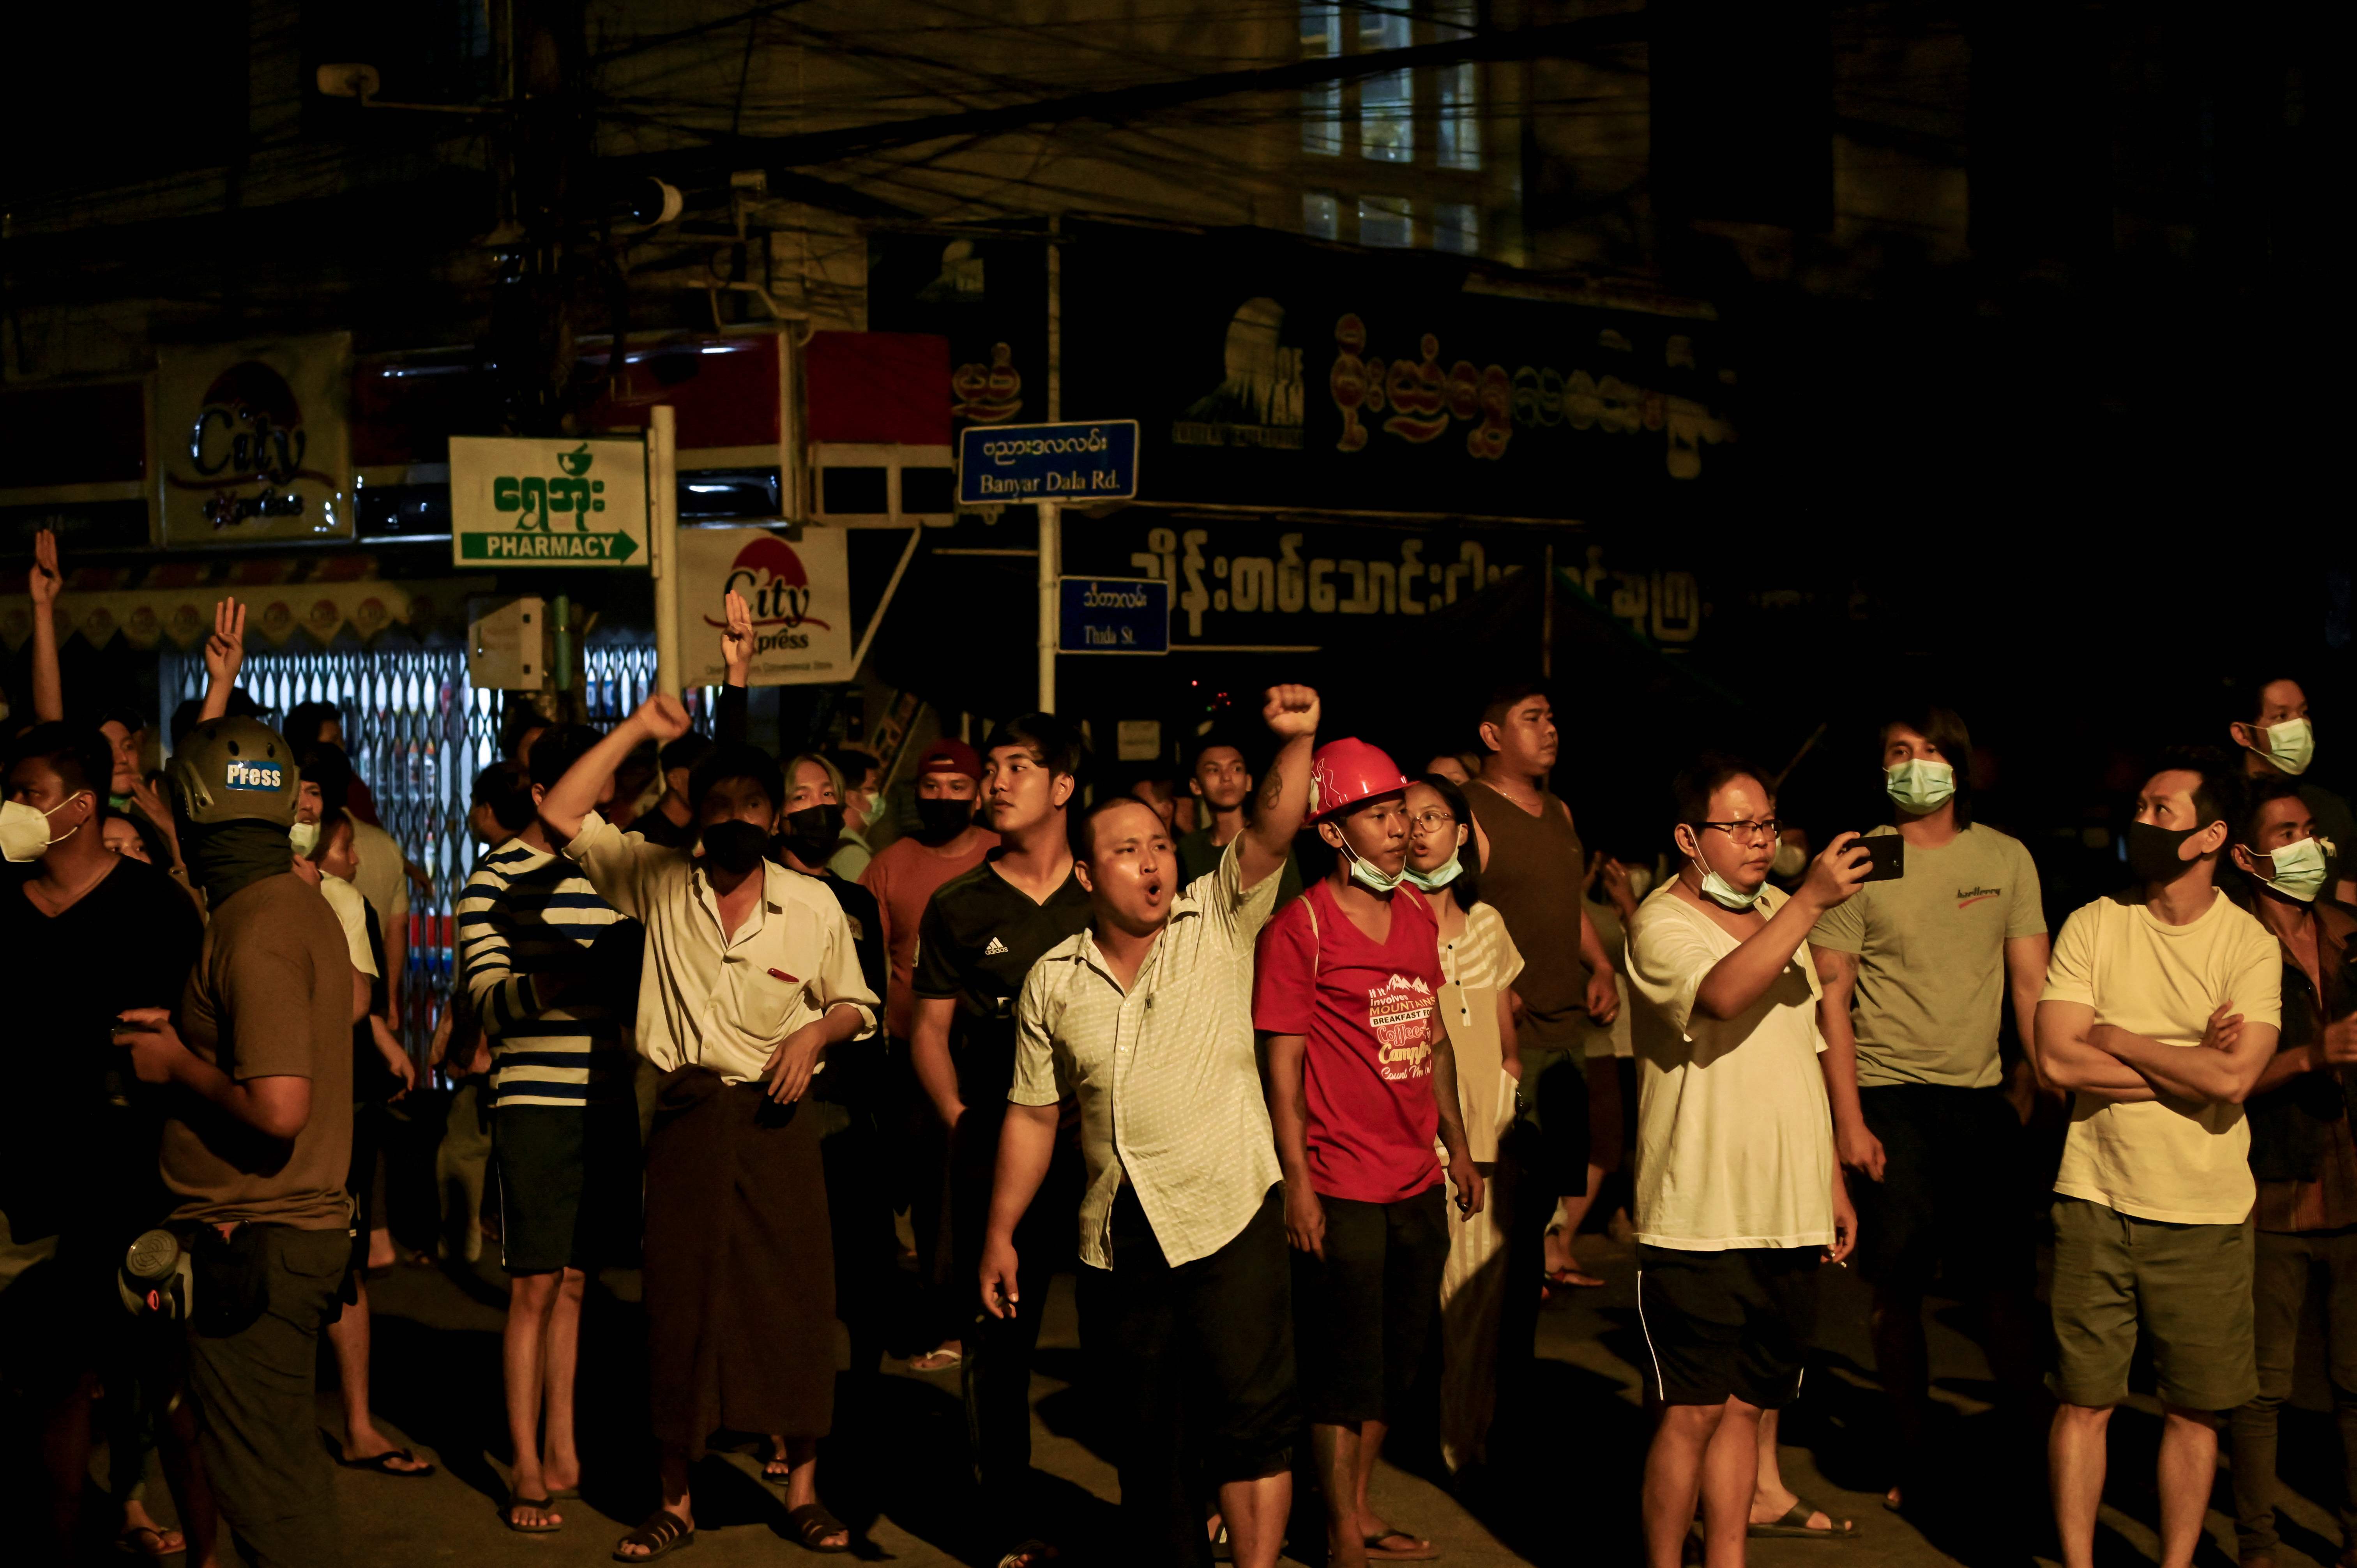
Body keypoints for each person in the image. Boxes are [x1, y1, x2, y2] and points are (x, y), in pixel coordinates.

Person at [984, 684, 1319, 1568]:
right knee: (1149, 1444)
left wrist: (1296, 738)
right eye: (1127, 849)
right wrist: (1001, 1231)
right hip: (1118, 1236)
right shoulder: (1053, 979)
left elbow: (1277, 828)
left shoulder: (1218, 916)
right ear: (1090, 875)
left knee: (1251, 1428)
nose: (1151, 862)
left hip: (1229, 1211)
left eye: (1161, 844)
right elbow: (1033, 1110)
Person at [542, 696, 876, 1561]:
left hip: (780, 1116)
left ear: (776, 817)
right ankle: (675, 1498)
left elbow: (855, 1003)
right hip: (690, 1114)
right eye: (719, 806)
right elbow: (560, 811)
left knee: (796, 1301)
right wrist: (640, 730)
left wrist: (814, 1029)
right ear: (696, 810)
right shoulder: (657, 879)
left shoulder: (811, 904)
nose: (736, 822)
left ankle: (803, 1489)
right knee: (681, 1305)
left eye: (753, 808)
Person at [2032, 749, 2281, 1568]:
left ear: (2211, 834)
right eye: (2138, 805)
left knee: (2197, 1409)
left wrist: (2120, 1035)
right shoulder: (2095, 923)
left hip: (2204, 1211)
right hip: (2094, 1194)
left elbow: (2238, 1077)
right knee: (2082, 1400)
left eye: (2160, 810)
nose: (2141, 821)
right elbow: (2058, 1063)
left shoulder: (2248, 944)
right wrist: (2187, 1066)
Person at [117, 715, 356, 1568]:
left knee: (269, 1498)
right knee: (279, 1471)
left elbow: (281, 1104)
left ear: (187, 807)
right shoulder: (294, 904)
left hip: (255, 1240)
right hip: (279, 1236)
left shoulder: (253, 926)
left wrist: (177, 1063)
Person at [1806, 706, 2050, 1516]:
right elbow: (1832, 998)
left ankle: (2031, 1451)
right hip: (1890, 1097)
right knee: (1898, 1287)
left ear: (1961, 764)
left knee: (2004, 1288)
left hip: (1980, 1101)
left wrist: (2036, 1080)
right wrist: (1849, 1119)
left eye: (1933, 751)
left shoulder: (2006, 856)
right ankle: (1915, 1451)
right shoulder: (1863, 859)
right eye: (1899, 753)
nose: (1917, 765)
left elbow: (2031, 986)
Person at [1625, 754, 1863, 1568]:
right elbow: (1723, 994)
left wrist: (1831, 1181)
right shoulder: (1661, 921)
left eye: (1768, 823)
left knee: (1745, 1406)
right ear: (1691, 837)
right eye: (1741, 825)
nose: (1762, 840)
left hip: (1787, 1207)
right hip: (1699, 1213)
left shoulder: (1775, 909)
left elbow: (1810, 1051)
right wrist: (1807, 904)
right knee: (1689, 1411)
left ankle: (1727, 1556)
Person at [1253, 738, 1484, 1568]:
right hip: (1341, 1179)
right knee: (1340, 1368)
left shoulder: (1418, 915)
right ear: (1333, 831)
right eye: (1380, 814)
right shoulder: (1301, 927)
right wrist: (1300, 1184)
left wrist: (1457, 1144)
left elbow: (1435, 1035)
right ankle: (1339, 1529)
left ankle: (1353, 1502)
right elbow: (1280, 1068)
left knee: (1396, 1360)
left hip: (1415, 1177)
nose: (1400, 829)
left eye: (1401, 813)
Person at [0, 722, 209, 1564]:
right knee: (51, 1388)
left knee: (167, 1386)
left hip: (134, 1191)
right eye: (10, 790)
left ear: (80, 809)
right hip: (26, 1194)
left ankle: (205, 1551)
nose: (13, 807)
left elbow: (196, 1040)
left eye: (28, 793)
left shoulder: (155, 908)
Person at [909, 712, 1094, 1568]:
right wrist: (958, 1118)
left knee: (1125, 1339)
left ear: (1063, 785)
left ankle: (1158, 1513)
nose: (998, 779)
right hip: (1003, 1149)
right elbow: (928, 1027)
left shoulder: (1107, 893)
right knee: (997, 1342)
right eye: (994, 766)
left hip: (1102, 1158)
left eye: (1020, 764)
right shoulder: (960, 902)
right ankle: (1005, 1523)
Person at [457, 724, 639, 1533]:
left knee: (575, 1281)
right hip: (533, 1101)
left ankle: (564, 1445)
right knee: (532, 1283)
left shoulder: (612, 872)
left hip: (607, 1097)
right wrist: (556, 978)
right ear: (541, 794)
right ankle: (524, 1464)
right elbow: (487, 1003)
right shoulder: (492, 880)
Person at [1461, 683, 1621, 1394]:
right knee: (1498, 1219)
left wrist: (1601, 960)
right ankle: (1479, 1380)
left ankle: (1511, 1376)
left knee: (1535, 1226)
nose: (1550, 728)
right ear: (1493, 735)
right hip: (1506, 1041)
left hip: (1565, 1037)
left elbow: (1562, 903)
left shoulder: (1557, 810)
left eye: (1552, 716)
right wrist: (1494, 989)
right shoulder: (1470, 811)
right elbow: (1451, 918)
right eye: (1533, 718)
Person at [2218, 778, 2357, 1568]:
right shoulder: (2231, 942)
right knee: (2263, 1387)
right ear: (2246, 853)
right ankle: (2259, 1546)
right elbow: (2221, 1068)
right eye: (2283, 832)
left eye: (2309, 829)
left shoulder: (2346, 933)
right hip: (2274, 1188)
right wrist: (2311, 1053)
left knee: (2354, 1382)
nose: (2303, 845)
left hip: (2351, 1184)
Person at [770, 747, 897, 1490]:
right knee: (789, 1276)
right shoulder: (757, 890)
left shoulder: (855, 901)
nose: (818, 806)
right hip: (784, 1103)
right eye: (802, 795)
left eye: (829, 794)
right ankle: (785, 1419)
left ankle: (853, 1404)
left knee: (858, 1270)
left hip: (849, 1106)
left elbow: (872, 1002)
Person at [303, 807, 433, 1485]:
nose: (352, 857)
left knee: (343, 1262)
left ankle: (355, 1421)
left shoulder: (342, 899)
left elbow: (359, 998)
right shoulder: (238, 887)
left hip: (332, 1097)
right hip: (266, 1098)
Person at [862, 736, 1000, 1372]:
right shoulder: (892, 862)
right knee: (924, 1194)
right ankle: (939, 1314)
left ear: (977, 793)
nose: (942, 798)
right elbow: (859, 955)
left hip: (989, 1053)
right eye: (931, 787)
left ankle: (969, 1315)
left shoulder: (1000, 856)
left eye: (956, 787)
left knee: (975, 1192)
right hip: (910, 1057)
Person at [1401, 772, 1524, 1475]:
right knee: (1412, 1292)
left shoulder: (1485, 925)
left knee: (1474, 1296)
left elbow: (1506, 1035)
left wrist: (1506, 1084)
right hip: (1411, 1128)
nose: (1420, 829)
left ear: (1459, 831)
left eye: (1435, 815)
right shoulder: (1386, 920)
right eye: (1407, 816)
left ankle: (1462, 1441)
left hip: (1484, 1131)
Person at [2226, 675, 2357, 903]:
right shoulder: (2223, 807)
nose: (2300, 725)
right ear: (2243, 733)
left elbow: (2347, 896)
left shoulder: (2331, 807)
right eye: (2282, 716)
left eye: (2304, 713)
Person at [1175, 733, 1303, 904]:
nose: (1227, 778)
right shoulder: (1190, 848)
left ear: (1249, 782)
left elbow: (1291, 910)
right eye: (1214, 770)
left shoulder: (1268, 839)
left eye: (1236, 769)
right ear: (1196, 786)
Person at [284, 699, 380, 827]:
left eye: (341, 739)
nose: (342, 747)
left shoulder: (351, 786)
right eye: (334, 741)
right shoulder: (281, 790)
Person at [632, 731, 716, 850]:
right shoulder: (644, 840)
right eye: (702, 775)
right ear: (675, 780)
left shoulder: (703, 829)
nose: (712, 784)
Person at [827, 746, 882, 879]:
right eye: (871, 789)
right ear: (851, 797)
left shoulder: (830, 840)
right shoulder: (853, 855)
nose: (879, 797)